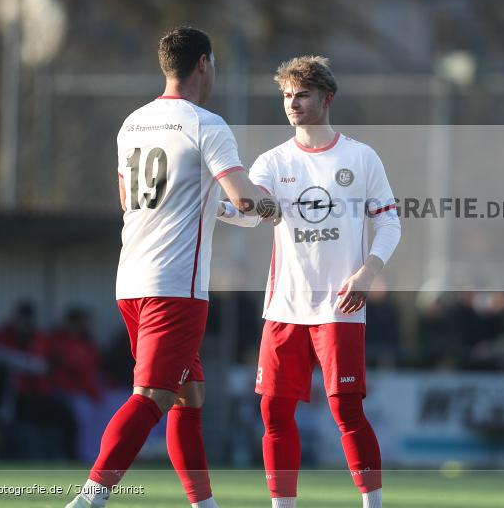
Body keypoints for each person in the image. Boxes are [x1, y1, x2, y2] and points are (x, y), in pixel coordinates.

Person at [66, 26, 279, 508]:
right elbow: (244, 198)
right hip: (175, 287)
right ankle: (90, 498)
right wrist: (274, 208)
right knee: (152, 396)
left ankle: (204, 504)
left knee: (190, 395)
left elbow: (128, 198)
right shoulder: (206, 123)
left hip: (131, 280)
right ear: (204, 64)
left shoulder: (132, 123)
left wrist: (211, 206)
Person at [218, 55, 400, 508]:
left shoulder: (360, 157)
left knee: (346, 410)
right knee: (274, 412)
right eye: (286, 96)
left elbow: (390, 223)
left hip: (340, 306)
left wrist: (367, 272)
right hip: (284, 308)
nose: (292, 103)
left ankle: (372, 504)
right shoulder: (272, 161)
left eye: (301, 94)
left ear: (326, 98)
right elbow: (256, 214)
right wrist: (218, 208)